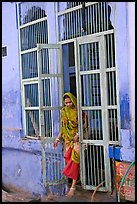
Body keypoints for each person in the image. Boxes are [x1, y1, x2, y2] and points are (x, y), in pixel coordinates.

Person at [53, 92, 88, 197]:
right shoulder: (63, 111)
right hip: (67, 139)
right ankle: (74, 182)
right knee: (69, 161)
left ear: (73, 101)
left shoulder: (79, 111)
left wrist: (78, 134)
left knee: (75, 163)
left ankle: (73, 187)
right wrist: (57, 138)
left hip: (77, 140)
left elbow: (85, 124)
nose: (68, 104)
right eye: (66, 103)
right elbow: (63, 128)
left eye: (69, 102)